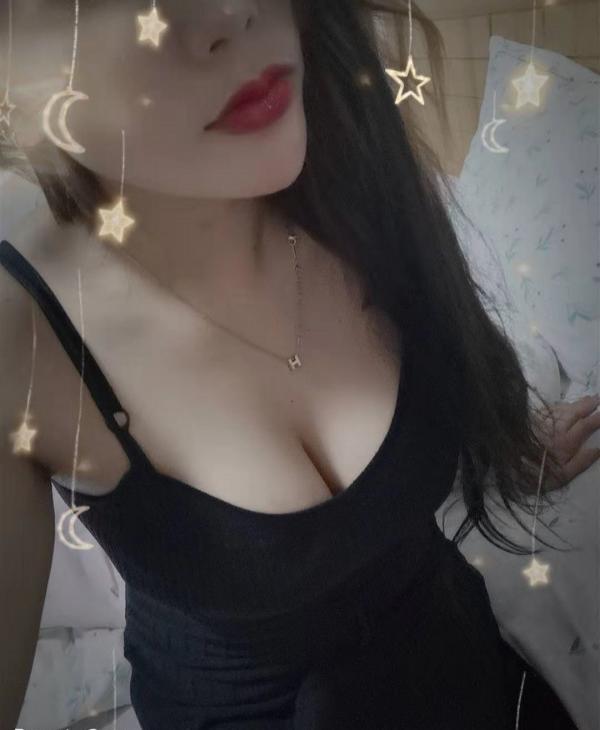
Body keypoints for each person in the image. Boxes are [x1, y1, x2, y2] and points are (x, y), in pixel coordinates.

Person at [0, 1, 596, 728]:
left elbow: (455, 368)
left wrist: (509, 445)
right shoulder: (22, 339)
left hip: (468, 675)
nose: (230, 9)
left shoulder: (356, 175)